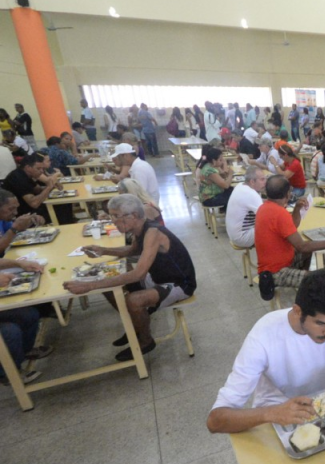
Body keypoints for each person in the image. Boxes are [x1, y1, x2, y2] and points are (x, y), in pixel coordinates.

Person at [207, 268, 325, 434]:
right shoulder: (262, 338)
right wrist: (272, 413)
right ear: (298, 311)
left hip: (324, 409)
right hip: (274, 417)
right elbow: (216, 420)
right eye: (321, 324)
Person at [63, 194, 196, 362]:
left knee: (133, 300)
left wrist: (90, 286)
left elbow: (139, 274)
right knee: (110, 285)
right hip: (157, 277)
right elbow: (132, 250)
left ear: (132, 216)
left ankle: (146, 341)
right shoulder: (139, 228)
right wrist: (103, 250)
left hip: (179, 284)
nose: (112, 220)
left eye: (115, 216)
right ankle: (135, 326)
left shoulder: (152, 232)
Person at [255, 175, 325, 287]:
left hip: (272, 264)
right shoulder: (280, 213)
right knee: (324, 279)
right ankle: (306, 286)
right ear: (288, 194)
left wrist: (297, 209)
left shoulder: (264, 207)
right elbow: (302, 246)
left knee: (310, 250)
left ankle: (303, 282)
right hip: (275, 272)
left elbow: (291, 227)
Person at [2, 153, 64, 224]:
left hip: (27, 207)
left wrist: (52, 186)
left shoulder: (26, 174)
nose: (42, 171)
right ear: (28, 167)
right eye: (38, 168)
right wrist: (48, 188)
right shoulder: (18, 178)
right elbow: (34, 203)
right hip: (19, 213)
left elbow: (38, 190)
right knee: (60, 207)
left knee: (62, 203)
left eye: (42, 168)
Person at [226, 165, 266, 248]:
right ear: (252, 182)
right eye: (262, 179)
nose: (265, 182)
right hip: (242, 237)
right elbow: (265, 216)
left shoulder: (240, 185)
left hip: (233, 233)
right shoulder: (251, 194)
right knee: (274, 229)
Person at [0, 188, 45, 256]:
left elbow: (13, 233)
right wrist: (15, 229)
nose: (16, 212)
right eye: (11, 209)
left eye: (16, 208)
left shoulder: (3, 219)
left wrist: (30, 220)